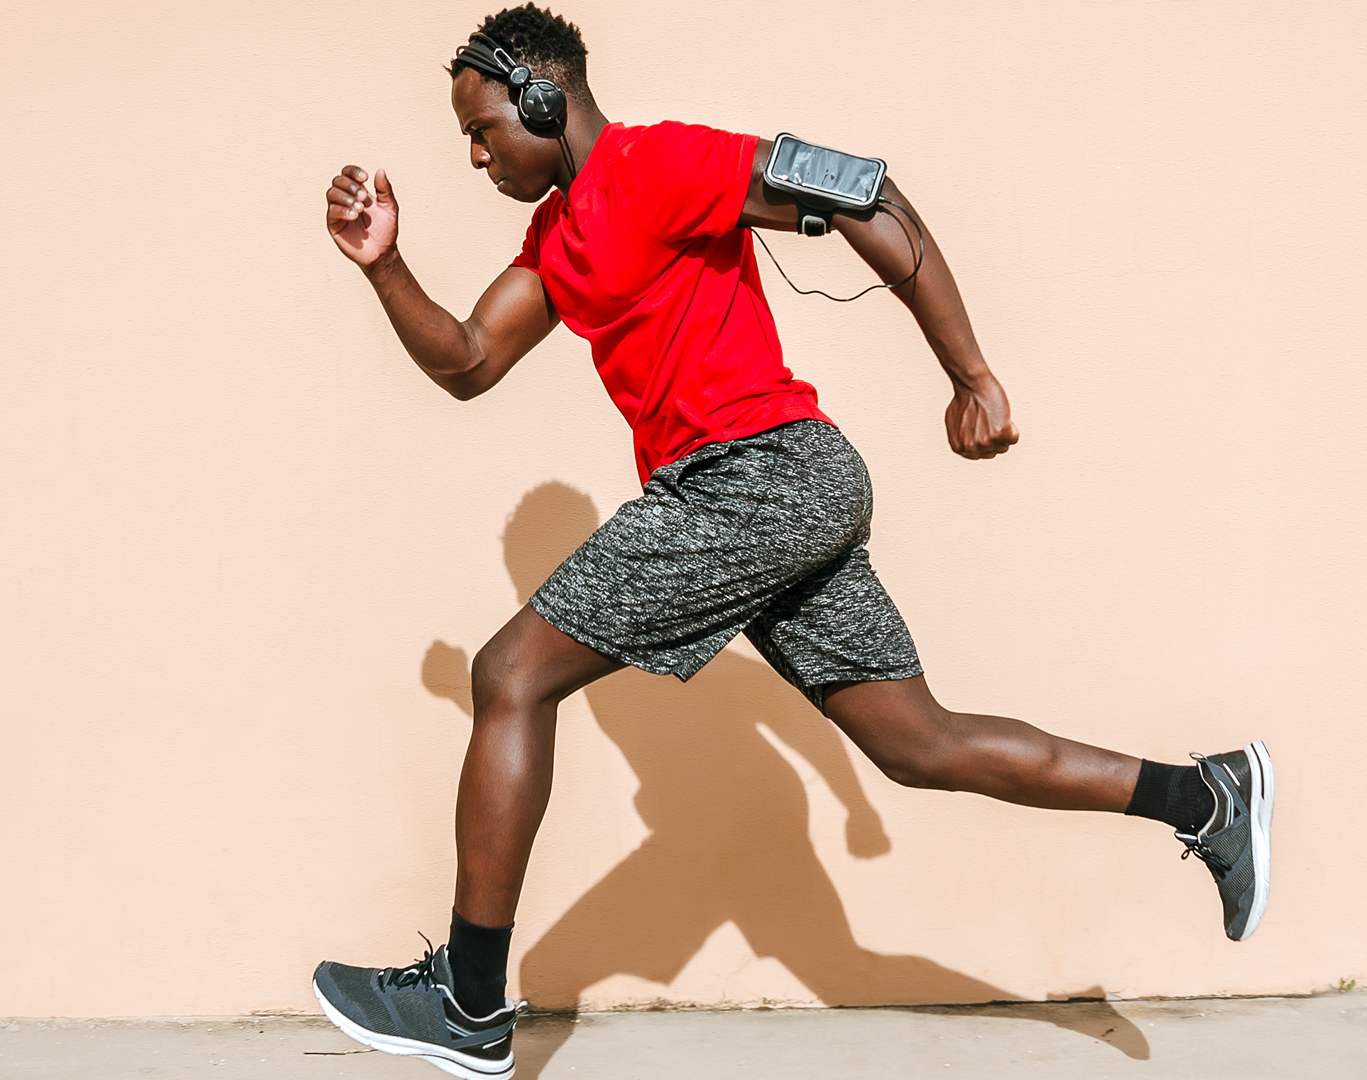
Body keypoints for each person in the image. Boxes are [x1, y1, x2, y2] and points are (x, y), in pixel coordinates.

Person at [310, 7, 1273, 1078]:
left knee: (510, 677)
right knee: (920, 745)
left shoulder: (661, 161)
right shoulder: (556, 239)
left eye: (484, 129)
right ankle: (1209, 795)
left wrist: (971, 376)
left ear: (545, 97)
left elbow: (864, 189)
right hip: (772, 493)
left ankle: (468, 1001)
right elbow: (470, 359)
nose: (477, 155)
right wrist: (382, 265)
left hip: (755, 475)